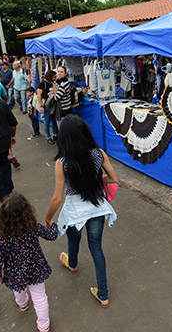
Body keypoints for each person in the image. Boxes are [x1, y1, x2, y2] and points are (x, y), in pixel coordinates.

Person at [45, 114, 118, 307]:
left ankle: (73, 264)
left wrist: (48, 218)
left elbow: (57, 197)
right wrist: (94, 181)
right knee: (96, 249)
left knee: (73, 239)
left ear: (63, 138)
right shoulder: (98, 153)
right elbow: (113, 178)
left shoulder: (62, 162)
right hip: (97, 208)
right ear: (86, 132)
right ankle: (103, 294)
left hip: (74, 211)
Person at [0, 193, 58, 332]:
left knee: (18, 288)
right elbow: (52, 236)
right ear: (27, 212)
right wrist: (53, 226)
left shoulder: (3, 237)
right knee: (40, 297)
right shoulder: (33, 227)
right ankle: (44, 326)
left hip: (15, 270)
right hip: (36, 267)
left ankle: (22, 304)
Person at [37, 70, 58, 144]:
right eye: (54, 76)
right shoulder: (43, 84)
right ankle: (48, 137)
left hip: (53, 104)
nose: (55, 78)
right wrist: (41, 105)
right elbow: (38, 94)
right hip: (46, 105)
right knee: (47, 120)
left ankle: (55, 135)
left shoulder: (53, 83)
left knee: (54, 120)